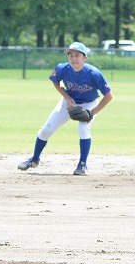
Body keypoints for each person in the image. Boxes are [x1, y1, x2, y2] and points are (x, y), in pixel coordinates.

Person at [17, 41, 113, 175]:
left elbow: (108, 96)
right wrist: (67, 98)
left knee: (83, 128)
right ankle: (34, 159)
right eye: (71, 55)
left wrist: (91, 112)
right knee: (46, 130)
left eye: (77, 55)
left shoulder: (94, 73)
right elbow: (56, 82)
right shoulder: (62, 68)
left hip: (89, 103)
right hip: (68, 102)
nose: (74, 58)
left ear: (85, 58)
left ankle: (82, 165)